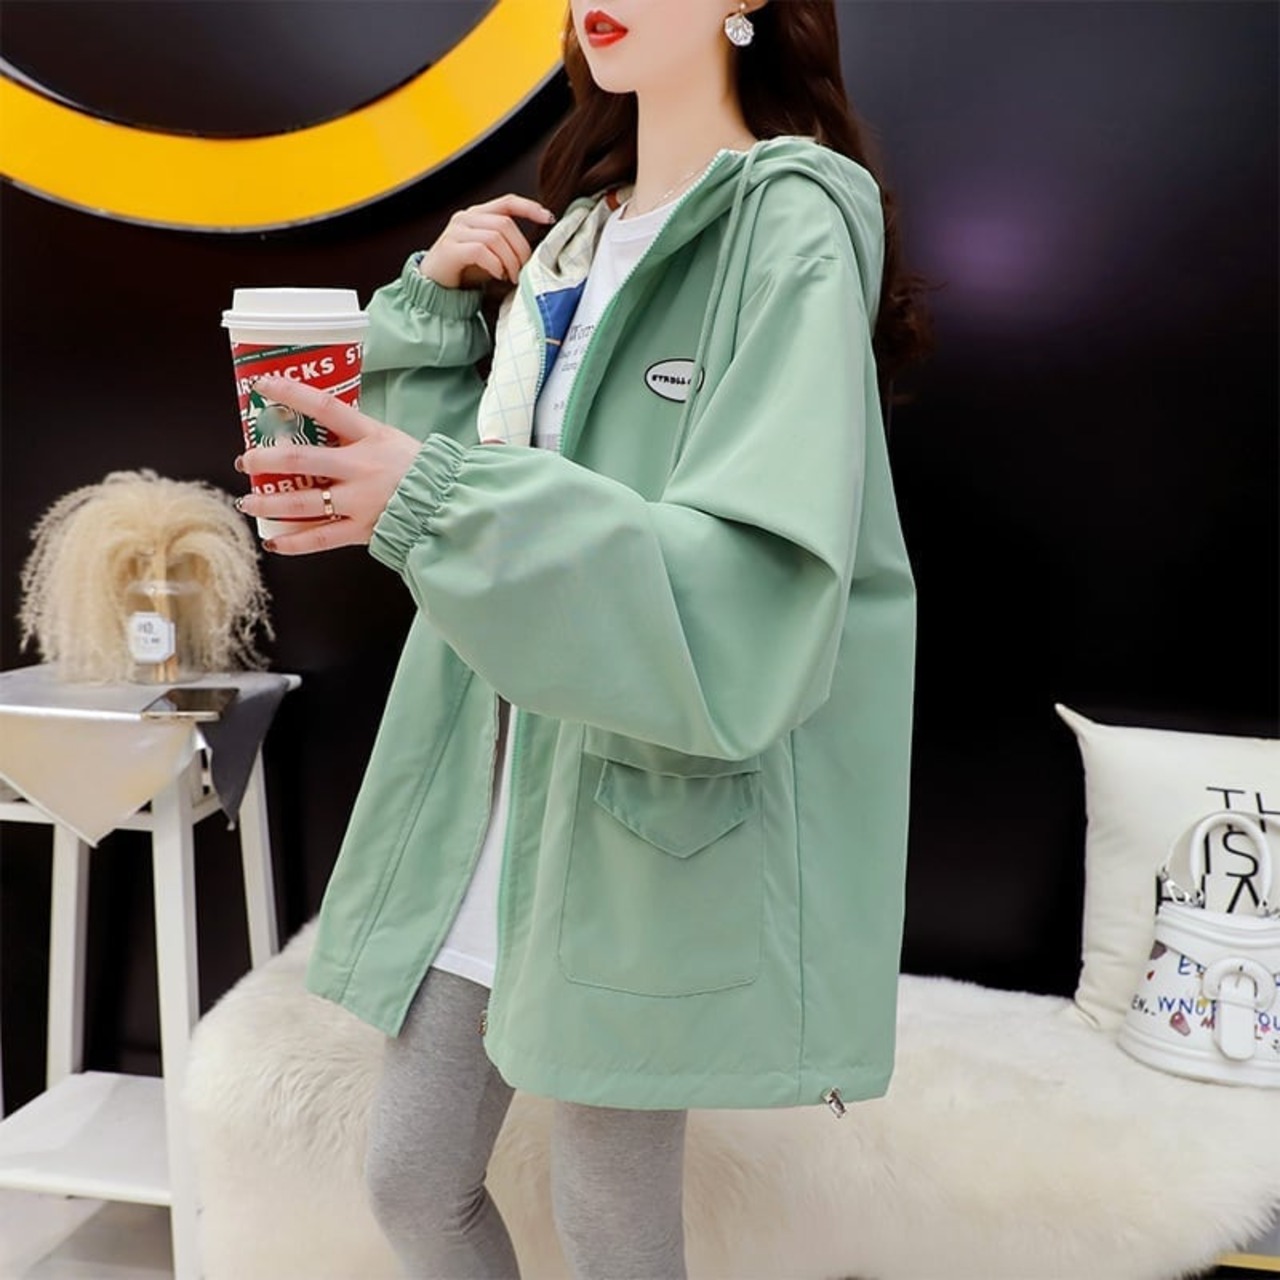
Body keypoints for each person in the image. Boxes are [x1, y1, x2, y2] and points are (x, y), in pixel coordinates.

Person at [235, 1, 930, 1275]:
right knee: (410, 1177)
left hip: (634, 794)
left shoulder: (788, 221)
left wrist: (440, 499)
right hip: (488, 782)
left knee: (609, 1213)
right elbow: (474, 513)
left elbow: (748, 568)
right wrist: (433, 313)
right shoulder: (571, 241)